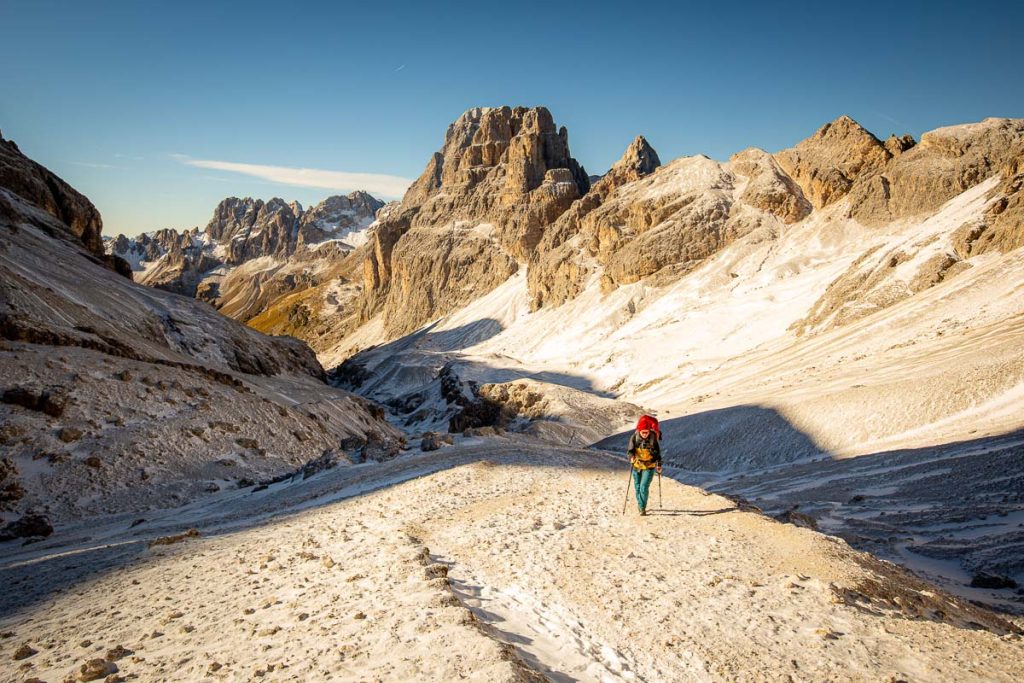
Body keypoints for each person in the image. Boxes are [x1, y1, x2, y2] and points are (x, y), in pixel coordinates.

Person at [627, 415, 662, 515]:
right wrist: (631, 457)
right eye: (643, 432)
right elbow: (630, 451)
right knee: (637, 486)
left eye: (647, 432)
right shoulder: (634, 438)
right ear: (639, 430)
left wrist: (659, 465)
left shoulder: (653, 437)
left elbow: (658, 452)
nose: (646, 434)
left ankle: (642, 508)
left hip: (649, 466)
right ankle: (640, 504)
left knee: (643, 487)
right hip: (637, 465)